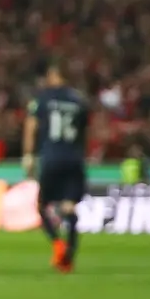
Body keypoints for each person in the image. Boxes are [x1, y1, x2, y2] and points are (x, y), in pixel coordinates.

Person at [24, 63, 90, 272]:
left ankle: (58, 244)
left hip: (51, 158)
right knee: (69, 207)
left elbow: (31, 126)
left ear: (54, 75)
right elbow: (83, 133)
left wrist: (28, 155)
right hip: (74, 159)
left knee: (43, 206)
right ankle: (70, 255)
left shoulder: (43, 99)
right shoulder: (80, 101)